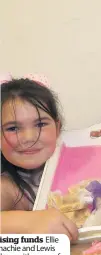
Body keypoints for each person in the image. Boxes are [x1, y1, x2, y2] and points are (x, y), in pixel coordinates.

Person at [1, 74, 78, 241]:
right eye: (13, 128)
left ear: (57, 128)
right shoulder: (7, 187)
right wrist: (28, 222)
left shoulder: (69, 169)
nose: (29, 137)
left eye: (41, 124)